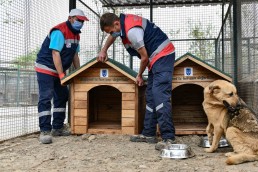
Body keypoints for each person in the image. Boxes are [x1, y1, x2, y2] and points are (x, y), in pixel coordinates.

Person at [97, 13, 176, 150]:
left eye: (111, 31)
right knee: (150, 96)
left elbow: (144, 57)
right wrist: (103, 50)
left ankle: (169, 137)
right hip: (155, 59)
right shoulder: (121, 25)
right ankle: (148, 134)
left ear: (116, 24)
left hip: (162, 56)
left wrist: (139, 75)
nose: (112, 35)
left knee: (160, 95)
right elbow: (112, 36)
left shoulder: (132, 32)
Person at [35, 9, 89, 144]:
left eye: (82, 21)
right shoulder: (60, 31)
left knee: (62, 95)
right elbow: (55, 54)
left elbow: (75, 56)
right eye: (79, 20)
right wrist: (61, 75)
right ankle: (45, 130)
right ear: (70, 18)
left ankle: (57, 127)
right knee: (46, 97)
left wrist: (79, 72)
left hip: (59, 69)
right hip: (46, 67)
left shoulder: (76, 35)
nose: (81, 23)